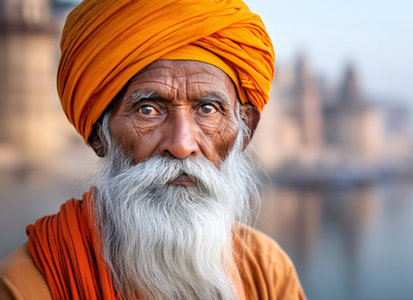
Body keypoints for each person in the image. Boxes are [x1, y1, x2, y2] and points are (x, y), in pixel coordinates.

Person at [0, 0, 306, 299]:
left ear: (244, 131)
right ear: (98, 135)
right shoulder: (29, 284)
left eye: (208, 109)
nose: (182, 145)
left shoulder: (268, 273)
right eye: (147, 109)